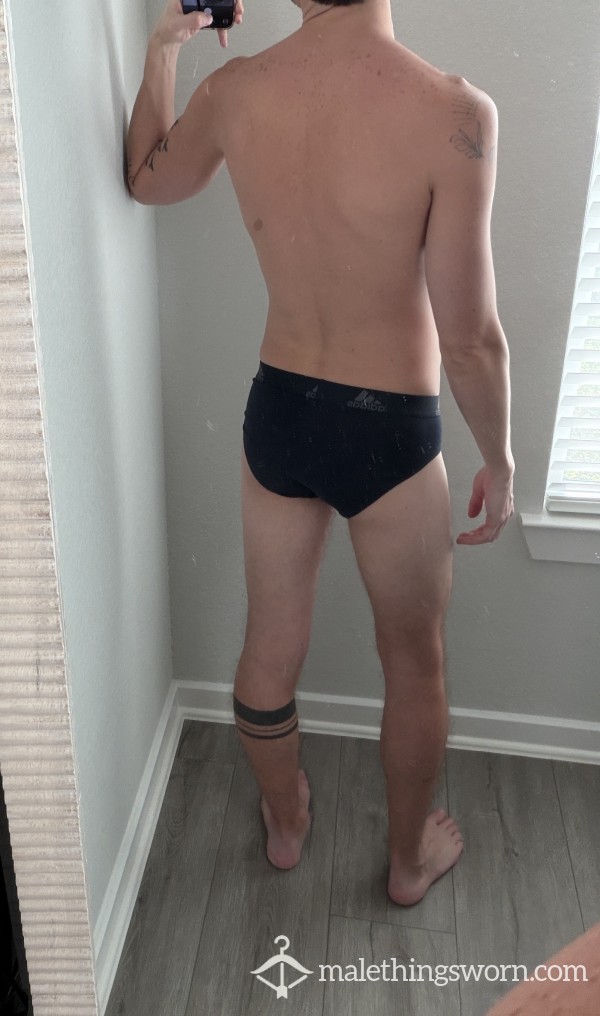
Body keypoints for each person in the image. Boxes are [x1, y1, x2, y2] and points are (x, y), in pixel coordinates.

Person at [127, 0, 515, 905]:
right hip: (391, 430)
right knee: (413, 661)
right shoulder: (454, 112)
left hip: (282, 410)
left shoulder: (236, 90)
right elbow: (470, 340)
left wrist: (162, 50)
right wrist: (499, 460)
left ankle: (285, 822)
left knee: (269, 642)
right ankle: (409, 861)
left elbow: (148, 182)